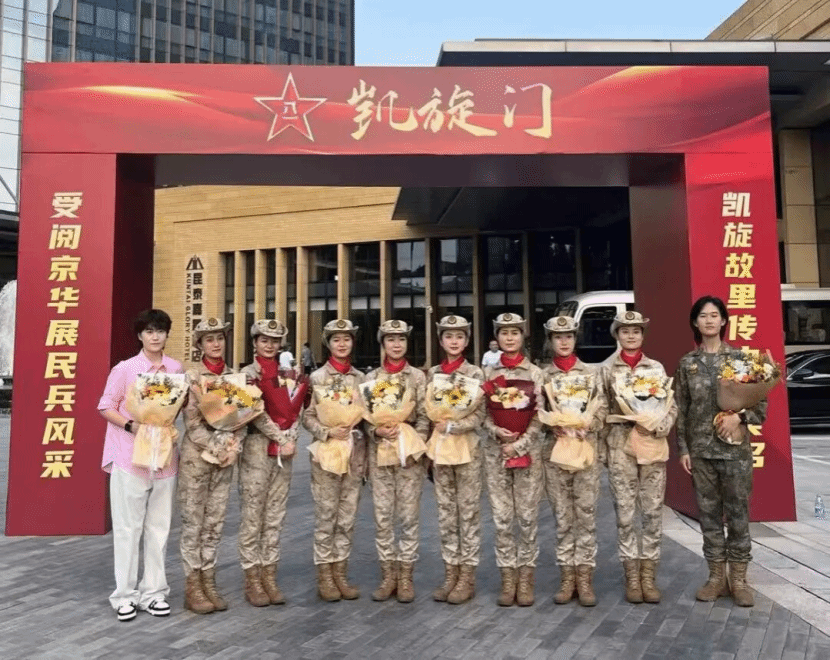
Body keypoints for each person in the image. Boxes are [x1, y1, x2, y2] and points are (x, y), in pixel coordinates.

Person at [676, 296, 767, 608]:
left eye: (714, 315)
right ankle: (716, 577)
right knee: (709, 515)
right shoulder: (687, 364)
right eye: (703, 316)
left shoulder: (740, 360)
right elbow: (681, 409)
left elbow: (761, 406)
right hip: (701, 452)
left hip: (734, 452)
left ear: (724, 321)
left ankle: (739, 580)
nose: (709, 320)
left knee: (738, 513)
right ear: (695, 322)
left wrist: (739, 417)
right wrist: (684, 448)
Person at [97, 309, 184, 622]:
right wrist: (131, 425)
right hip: (129, 457)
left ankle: (154, 592)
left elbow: (177, 407)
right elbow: (105, 406)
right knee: (127, 528)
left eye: (160, 330)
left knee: (159, 528)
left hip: (164, 460)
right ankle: (124, 595)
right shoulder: (125, 369)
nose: (155, 336)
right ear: (140, 335)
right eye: (149, 331)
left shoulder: (176, 369)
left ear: (167, 334)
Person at [599, 311, 677, 604]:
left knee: (653, 511)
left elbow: (670, 405)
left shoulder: (655, 368)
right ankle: (632, 576)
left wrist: (659, 424)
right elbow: (599, 409)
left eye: (636, 331)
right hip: (620, 446)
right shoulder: (606, 369)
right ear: (617, 335)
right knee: (625, 514)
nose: (631, 336)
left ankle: (648, 576)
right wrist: (602, 449)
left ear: (643, 335)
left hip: (652, 443)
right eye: (625, 331)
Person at [542, 315, 607, 607]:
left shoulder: (592, 374)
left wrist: (588, 424)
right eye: (558, 337)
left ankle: (585, 579)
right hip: (556, 455)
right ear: (551, 340)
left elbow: (602, 409)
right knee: (563, 518)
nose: (564, 341)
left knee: (586, 516)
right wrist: (551, 426)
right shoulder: (543, 376)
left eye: (568, 336)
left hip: (584, 452)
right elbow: (534, 413)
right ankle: (567, 579)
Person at [178, 317, 241, 614]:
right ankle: (193, 586)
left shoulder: (234, 378)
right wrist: (219, 446)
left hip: (224, 460)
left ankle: (209, 581)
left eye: (220, 338)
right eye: (209, 339)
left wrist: (233, 445)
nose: (216, 344)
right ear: (200, 344)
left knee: (215, 523)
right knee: (194, 522)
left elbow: (241, 419)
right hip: (197, 459)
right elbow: (192, 424)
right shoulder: (192, 377)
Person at [482, 313, 545, 607]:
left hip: (527, 454)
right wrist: (497, 431)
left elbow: (540, 416)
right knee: (503, 519)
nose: (509, 338)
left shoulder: (536, 374)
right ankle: (508, 580)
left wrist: (519, 444)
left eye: (515, 333)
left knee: (528, 519)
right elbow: (481, 414)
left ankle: (526, 579)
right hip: (496, 455)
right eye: (504, 333)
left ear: (523, 336)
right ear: (497, 337)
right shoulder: (488, 374)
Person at [365, 319, 429, 603]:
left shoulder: (417, 377)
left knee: (408, 517)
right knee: (382, 517)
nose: (396, 344)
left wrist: (415, 443)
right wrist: (375, 431)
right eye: (390, 339)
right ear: (383, 343)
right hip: (380, 454)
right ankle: (387, 576)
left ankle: (405, 577)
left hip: (409, 456)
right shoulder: (371, 378)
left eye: (401, 339)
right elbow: (363, 417)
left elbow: (426, 415)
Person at [302, 319, 366, 601]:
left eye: (347, 339)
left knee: (347, 516)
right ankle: (325, 576)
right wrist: (327, 431)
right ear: (328, 343)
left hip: (353, 455)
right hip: (326, 455)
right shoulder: (317, 378)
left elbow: (369, 414)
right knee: (326, 515)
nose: (342, 344)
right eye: (336, 339)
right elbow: (307, 416)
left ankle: (341, 573)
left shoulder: (361, 378)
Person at [238, 319, 301, 607]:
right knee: (253, 515)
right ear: (255, 342)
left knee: (275, 514)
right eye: (264, 340)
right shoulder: (247, 374)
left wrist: (291, 436)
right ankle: (252, 579)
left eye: (275, 341)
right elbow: (254, 411)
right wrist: (280, 436)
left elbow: (297, 407)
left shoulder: (289, 373)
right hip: (257, 449)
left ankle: (269, 575)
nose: (270, 345)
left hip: (283, 451)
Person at [426, 315, 486, 604]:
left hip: (466, 451)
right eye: (448, 336)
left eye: (459, 336)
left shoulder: (475, 374)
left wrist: (453, 425)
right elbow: (426, 411)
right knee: (446, 513)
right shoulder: (433, 373)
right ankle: (450, 573)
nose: (454, 341)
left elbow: (480, 414)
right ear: (441, 341)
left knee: (468, 513)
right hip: (440, 451)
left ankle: (467, 578)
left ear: (467, 341)